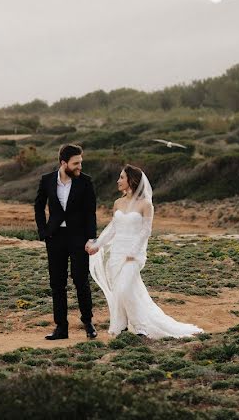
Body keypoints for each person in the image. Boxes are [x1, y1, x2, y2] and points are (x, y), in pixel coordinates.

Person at [86, 165, 203, 338]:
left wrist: (133, 251)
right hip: (117, 253)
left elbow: (146, 231)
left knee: (125, 288)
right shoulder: (118, 203)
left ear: (131, 180)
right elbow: (112, 228)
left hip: (134, 254)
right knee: (121, 290)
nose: (118, 181)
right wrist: (98, 244)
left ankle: (141, 327)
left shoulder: (146, 204)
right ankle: (122, 325)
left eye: (122, 177)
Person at [34, 144, 98, 340]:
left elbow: (90, 213)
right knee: (57, 284)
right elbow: (38, 205)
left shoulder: (85, 182)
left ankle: (88, 323)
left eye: (81, 162)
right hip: (55, 238)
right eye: (76, 163)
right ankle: (61, 328)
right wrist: (43, 231)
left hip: (78, 238)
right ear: (64, 163)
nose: (80, 166)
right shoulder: (47, 180)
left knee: (81, 280)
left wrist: (91, 238)